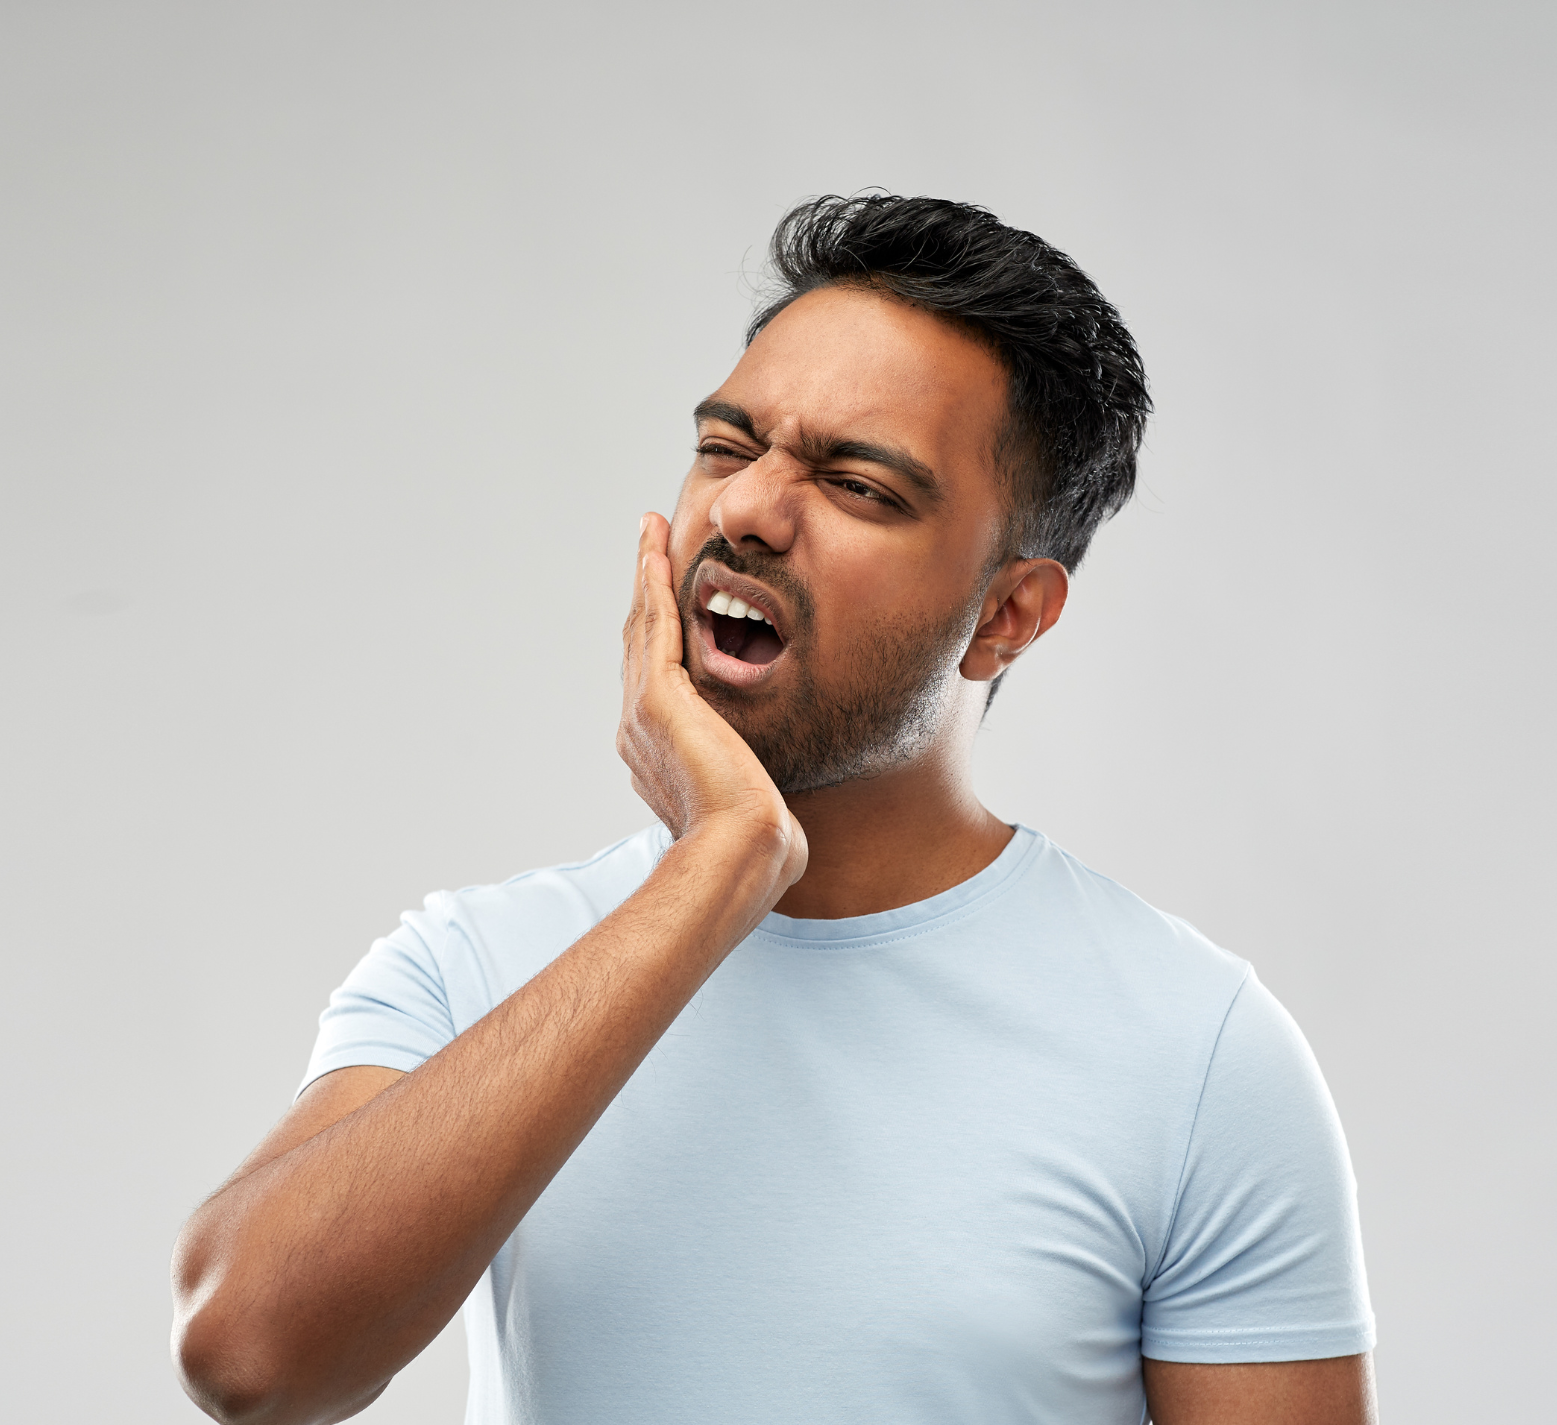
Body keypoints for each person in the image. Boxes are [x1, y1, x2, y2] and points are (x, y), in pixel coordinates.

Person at [171, 194, 1377, 1425]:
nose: (746, 510)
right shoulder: (473, 965)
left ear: (1008, 614)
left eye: (856, 485)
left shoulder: (1194, 1049)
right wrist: (719, 867)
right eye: (726, 445)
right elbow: (250, 1359)